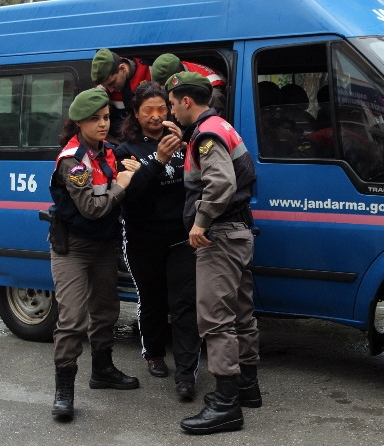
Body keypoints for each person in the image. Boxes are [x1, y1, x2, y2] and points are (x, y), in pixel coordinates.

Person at [165, 72, 260, 434]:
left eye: (172, 104)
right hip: (237, 231)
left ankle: (225, 404)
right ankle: (247, 387)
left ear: (186, 101)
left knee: (216, 321)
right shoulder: (223, 126)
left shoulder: (205, 135)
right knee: (241, 314)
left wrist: (200, 222)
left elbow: (221, 183)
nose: (171, 112)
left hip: (218, 237)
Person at [48, 88, 140, 420]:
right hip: (72, 247)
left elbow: (117, 186)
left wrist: (130, 172)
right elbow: (91, 207)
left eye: (105, 118)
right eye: (95, 119)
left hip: (103, 245)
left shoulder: (108, 153)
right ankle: (64, 390)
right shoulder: (73, 162)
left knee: (105, 311)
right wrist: (123, 184)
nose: (103, 124)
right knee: (72, 319)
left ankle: (102, 371)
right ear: (78, 123)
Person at [113, 82, 201, 400]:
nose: (155, 115)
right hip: (142, 237)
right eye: (147, 110)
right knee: (152, 299)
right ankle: (152, 352)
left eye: (161, 108)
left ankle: (187, 374)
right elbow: (131, 197)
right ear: (135, 115)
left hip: (181, 237)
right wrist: (157, 161)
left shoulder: (185, 139)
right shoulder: (125, 151)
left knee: (184, 304)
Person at [91, 49, 152, 142]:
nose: (110, 89)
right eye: (105, 86)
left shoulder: (147, 70)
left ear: (122, 69)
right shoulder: (100, 85)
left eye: (112, 83)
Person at [151, 53, 227, 119]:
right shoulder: (178, 66)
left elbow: (213, 129)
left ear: (177, 80)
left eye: (166, 87)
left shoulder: (212, 93)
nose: (172, 112)